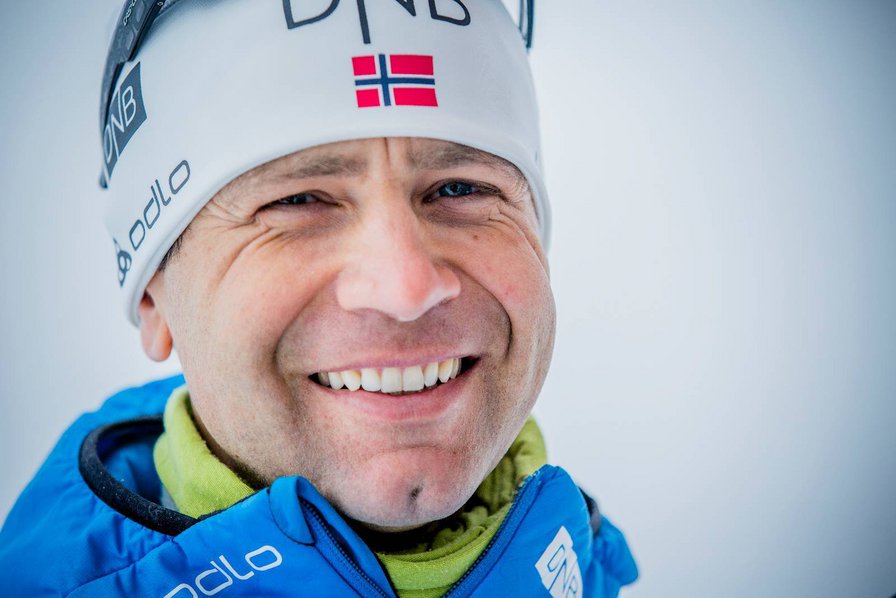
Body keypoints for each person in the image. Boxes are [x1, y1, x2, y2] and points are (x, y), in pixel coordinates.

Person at [0, 1, 637, 595]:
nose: (407, 288)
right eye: (298, 201)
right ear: (153, 300)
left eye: (459, 188)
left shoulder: (587, 568)